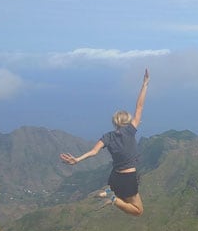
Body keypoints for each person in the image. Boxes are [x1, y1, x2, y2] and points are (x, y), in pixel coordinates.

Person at [60, 69, 150, 216]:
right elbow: (139, 107)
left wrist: (76, 160)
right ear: (127, 121)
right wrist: (145, 84)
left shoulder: (107, 137)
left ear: (115, 123)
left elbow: (94, 152)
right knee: (138, 211)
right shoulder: (131, 130)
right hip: (128, 178)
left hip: (114, 177)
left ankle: (109, 192)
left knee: (120, 191)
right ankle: (112, 198)